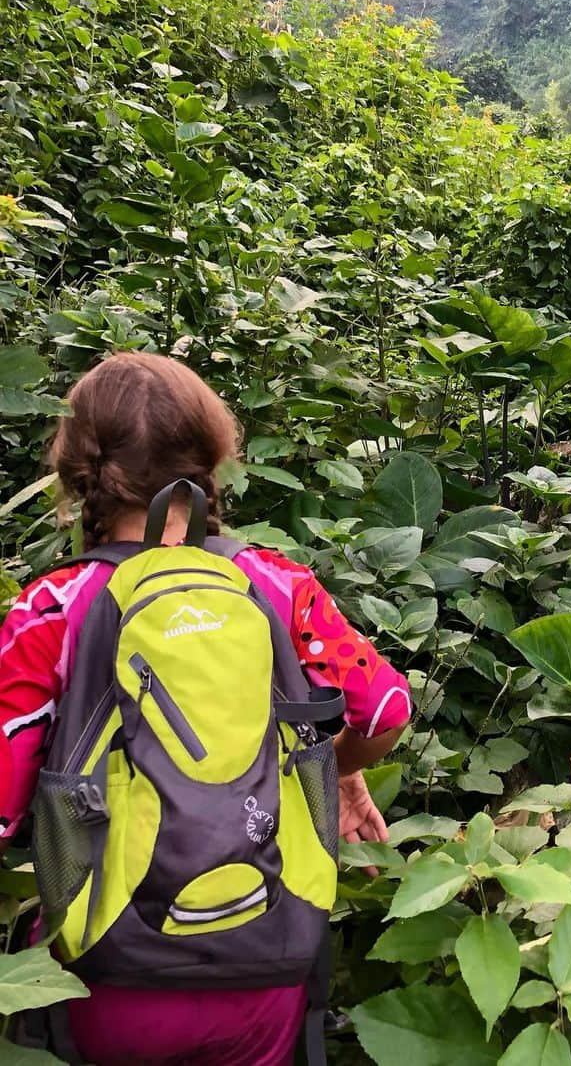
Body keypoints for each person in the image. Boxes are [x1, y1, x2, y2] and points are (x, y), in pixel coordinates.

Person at [0, 352, 411, 1066]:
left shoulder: (53, 610)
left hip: (111, 975)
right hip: (268, 964)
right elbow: (385, 711)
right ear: (211, 458)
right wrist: (337, 775)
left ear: (81, 471)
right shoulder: (277, 585)